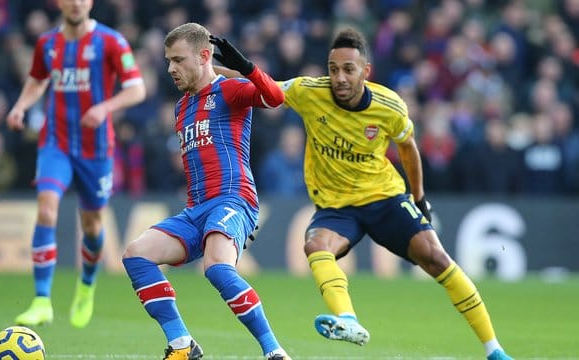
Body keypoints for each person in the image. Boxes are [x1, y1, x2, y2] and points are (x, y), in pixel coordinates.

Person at [216, 27, 513, 360]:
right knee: (315, 245)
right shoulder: (309, 91)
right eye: (333, 69)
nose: (339, 78)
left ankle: (495, 350)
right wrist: (225, 67)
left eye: (348, 69)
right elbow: (267, 87)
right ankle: (348, 319)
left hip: (384, 198)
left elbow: (408, 149)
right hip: (337, 207)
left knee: (436, 258)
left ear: (365, 71)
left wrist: (418, 198)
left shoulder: (390, 106)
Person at [121, 23, 291, 360]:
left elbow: (276, 98)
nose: (171, 68)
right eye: (169, 61)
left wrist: (245, 67)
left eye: (179, 60)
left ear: (203, 56)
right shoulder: (181, 107)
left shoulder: (230, 90)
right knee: (136, 255)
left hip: (233, 198)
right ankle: (182, 344)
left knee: (216, 267)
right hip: (196, 209)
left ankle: (274, 352)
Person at [6, 0, 145, 328]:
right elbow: (38, 80)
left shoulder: (111, 41)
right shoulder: (47, 44)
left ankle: (86, 285)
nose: (76, 3)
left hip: (95, 149)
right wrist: (20, 107)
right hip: (56, 142)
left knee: (93, 226)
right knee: (46, 208)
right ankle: (42, 300)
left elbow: (137, 88)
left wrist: (104, 108)